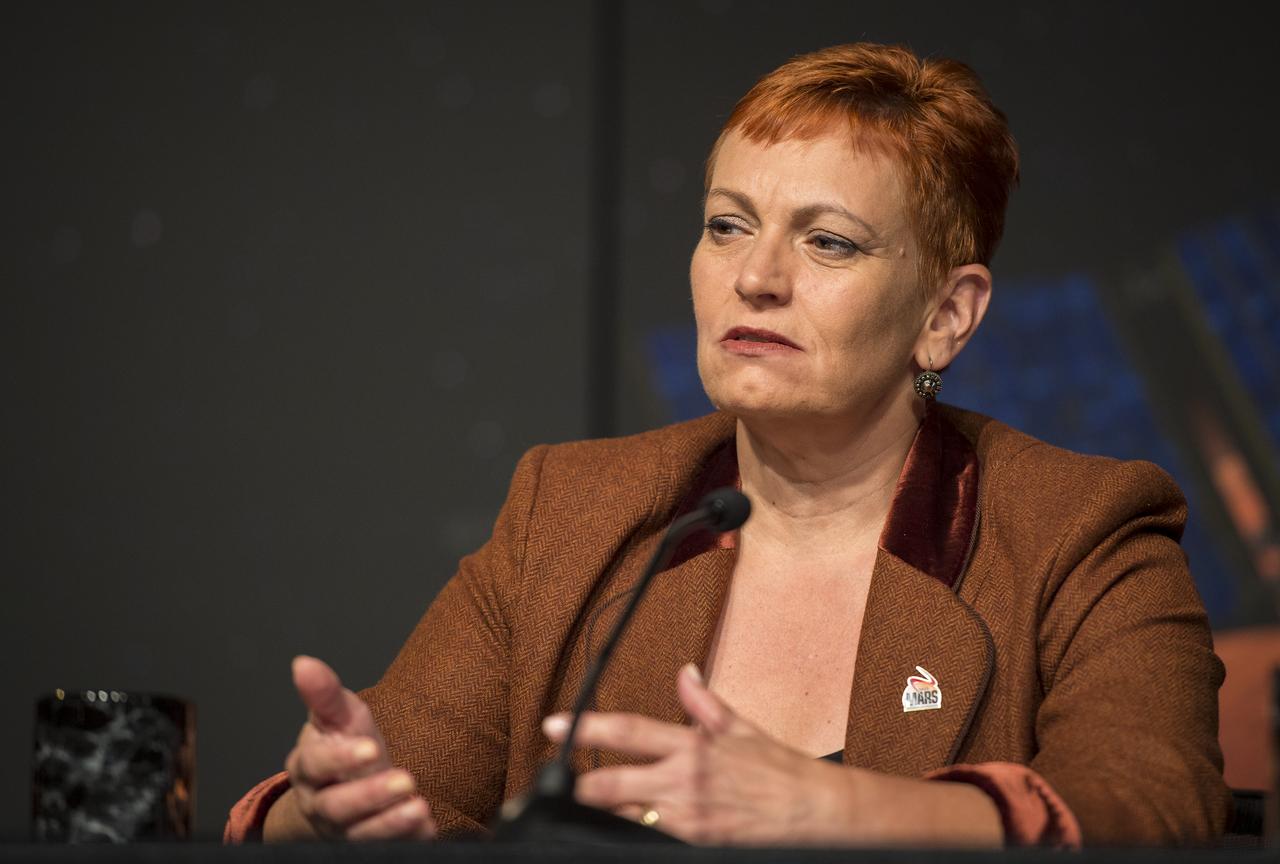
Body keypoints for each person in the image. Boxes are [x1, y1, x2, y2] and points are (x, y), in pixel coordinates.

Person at [226, 42, 1229, 847]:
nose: (755, 277)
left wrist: (830, 810)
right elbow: (390, 789)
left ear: (944, 316)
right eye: (725, 225)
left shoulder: (1081, 531)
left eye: (825, 241)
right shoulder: (569, 509)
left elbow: (1151, 808)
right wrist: (324, 806)